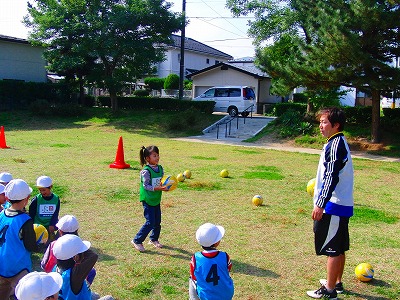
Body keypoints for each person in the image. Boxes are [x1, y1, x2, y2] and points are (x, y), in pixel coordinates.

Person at [307, 107, 354, 299]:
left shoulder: (335, 145)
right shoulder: (336, 142)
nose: (320, 125)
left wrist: (320, 203)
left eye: (324, 122)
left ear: (336, 125)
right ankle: (336, 282)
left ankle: (330, 291)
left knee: (333, 249)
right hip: (339, 205)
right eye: (320, 122)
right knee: (339, 246)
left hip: (333, 205)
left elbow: (331, 177)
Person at [0, 179, 38, 300]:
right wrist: (39, 242)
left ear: (7, 197)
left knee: (3, 292)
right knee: (22, 293)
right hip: (18, 266)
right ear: (27, 198)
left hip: (1, 263)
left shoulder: (1, 214)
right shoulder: (25, 220)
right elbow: (30, 245)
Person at [53, 234, 113, 300]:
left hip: (67, 296)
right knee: (109, 298)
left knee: (96, 296)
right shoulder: (75, 274)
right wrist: (78, 248)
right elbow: (93, 256)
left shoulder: (56, 268)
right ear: (75, 257)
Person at [131, 145, 168, 252]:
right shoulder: (146, 171)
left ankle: (153, 239)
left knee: (157, 221)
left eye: (158, 155)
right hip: (147, 199)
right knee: (150, 222)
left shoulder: (160, 168)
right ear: (147, 158)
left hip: (156, 199)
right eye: (154, 155)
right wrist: (158, 188)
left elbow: (161, 180)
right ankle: (137, 240)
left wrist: (167, 185)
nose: (157, 157)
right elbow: (145, 186)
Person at [41, 214, 96, 286]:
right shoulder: (79, 246)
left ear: (60, 231)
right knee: (92, 271)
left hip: (54, 277)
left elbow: (44, 264)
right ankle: (85, 287)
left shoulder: (53, 244)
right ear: (77, 230)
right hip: (74, 280)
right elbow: (93, 256)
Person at [189, 223, 234, 300]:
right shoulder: (225, 256)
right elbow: (228, 269)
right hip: (226, 295)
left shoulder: (195, 258)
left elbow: (194, 276)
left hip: (206, 297)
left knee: (191, 279)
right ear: (216, 243)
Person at [29, 176, 61, 243]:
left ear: (50, 187)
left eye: (44, 190)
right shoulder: (36, 199)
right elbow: (31, 214)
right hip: (38, 225)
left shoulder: (56, 198)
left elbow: (56, 213)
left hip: (50, 225)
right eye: (40, 190)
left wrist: (52, 224)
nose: (42, 192)